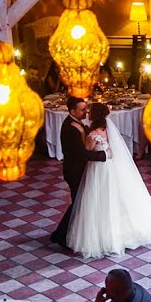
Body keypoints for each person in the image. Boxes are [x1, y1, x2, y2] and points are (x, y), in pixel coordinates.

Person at [66, 102, 151, 258]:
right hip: (109, 167)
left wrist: (81, 132)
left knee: (99, 199)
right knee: (113, 197)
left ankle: (104, 235)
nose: (87, 112)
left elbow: (86, 150)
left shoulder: (93, 135)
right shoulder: (106, 130)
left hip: (98, 170)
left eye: (89, 111)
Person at [49, 97, 109, 248]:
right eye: (82, 109)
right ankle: (60, 235)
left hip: (81, 170)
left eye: (86, 108)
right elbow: (81, 154)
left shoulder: (79, 124)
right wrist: (103, 155)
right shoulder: (70, 128)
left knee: (80, 202)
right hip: (74, 171)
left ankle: (70, 232)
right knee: (78, 203)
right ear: (72, 111)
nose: (86, 111)